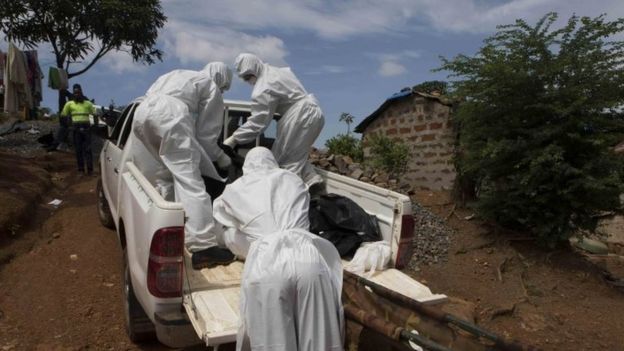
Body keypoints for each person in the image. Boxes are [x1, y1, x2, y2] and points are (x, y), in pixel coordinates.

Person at [213, 147, 344, 351]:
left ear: (247, 166)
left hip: (268, 265)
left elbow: (221, 217)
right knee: (320, 342)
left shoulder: (235, 189)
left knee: (274, 343)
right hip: (308, 259)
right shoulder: (294, 180)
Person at [132, 62, 235, 269]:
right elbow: (206, 137)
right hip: (169, 115)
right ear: (221, 78)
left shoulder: (179, 74)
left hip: (142, 114)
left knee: (167, 173)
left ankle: (168, 226)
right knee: (191, 182)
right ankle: (203, 247)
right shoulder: (210, 86)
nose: (222, 91)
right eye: (224, 87)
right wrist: (223, 158)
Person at [223, 53, 325, 188]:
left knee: (283, 161)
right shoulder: (280, 71)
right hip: (315, 112)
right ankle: (312, 180)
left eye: (249, 76)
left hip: (300, 116)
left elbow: (258, 123)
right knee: (296, 154)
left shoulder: (263, 88)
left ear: (255, 68)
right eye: (245, 78)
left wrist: (234, 139)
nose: (249, 81)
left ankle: (289, 197)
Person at [60, 84, 96, 174]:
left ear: (81, 92)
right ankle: (81, 170)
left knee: (88, 150)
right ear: (73, 93)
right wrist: (68, 126)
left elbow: (95, 115)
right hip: (75, 128)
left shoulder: (88, 103)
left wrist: (95, 126)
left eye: (78, 92)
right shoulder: (69, 104)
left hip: (86, 128)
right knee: (78, 150)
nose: (77, 94)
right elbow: (63, 115)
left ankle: (90, 170)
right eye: (75, 92)